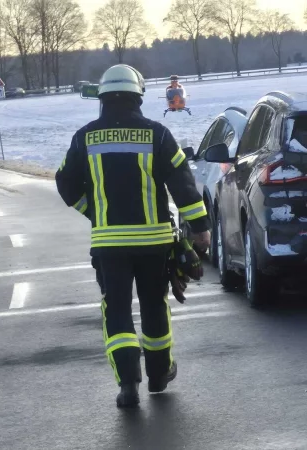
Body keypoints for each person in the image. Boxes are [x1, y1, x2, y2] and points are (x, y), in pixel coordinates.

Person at [55, 64, 211, 408]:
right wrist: (200, 231)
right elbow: (183, 185)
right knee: (155, 304)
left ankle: (128, 385)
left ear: (104, 98)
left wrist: (93, 211)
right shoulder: (157, 134)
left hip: (109, 244)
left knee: (118, 310)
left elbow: (65, 184)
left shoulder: (85, 137)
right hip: (154, 242)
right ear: (138, 96)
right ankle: (158, 375)